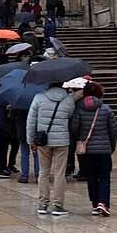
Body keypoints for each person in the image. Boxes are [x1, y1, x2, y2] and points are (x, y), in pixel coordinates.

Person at [27, 82, 75, 216]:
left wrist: (30, 140)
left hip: (43, 140)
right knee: (60, 173)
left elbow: (31, 121)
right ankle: (58, 205)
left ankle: (43, 204)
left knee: (44, 172)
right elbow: (70, 116)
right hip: (62, 140)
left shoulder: (38, 97)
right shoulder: (69, 99)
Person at [70, 81, 117, 216]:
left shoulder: (78, 108)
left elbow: (74, 128)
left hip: (86, 150)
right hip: (103, 149)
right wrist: (111, 146)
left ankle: (95, 204)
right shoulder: (106, 109)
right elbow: (113, 131)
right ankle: (103, 203)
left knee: (91, 177)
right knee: (104, 176)